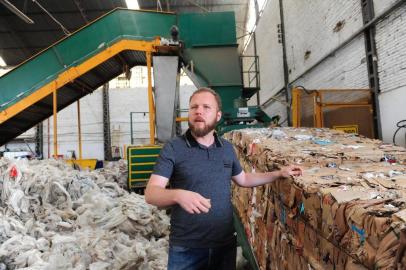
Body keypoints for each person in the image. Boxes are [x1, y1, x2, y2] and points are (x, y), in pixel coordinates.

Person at [145, 87, 302, 270]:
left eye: (206, 107)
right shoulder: (173, 148)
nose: (199, 111)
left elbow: (243, 179)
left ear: (218, 116)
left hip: (224, 244)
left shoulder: (226, 149)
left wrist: (277, 174)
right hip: (187, 249)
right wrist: (178, 195)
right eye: (194, 107)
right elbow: (151, 193)